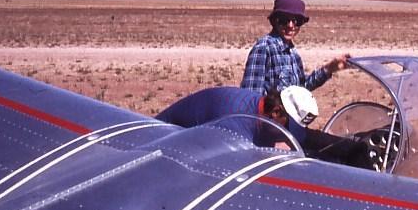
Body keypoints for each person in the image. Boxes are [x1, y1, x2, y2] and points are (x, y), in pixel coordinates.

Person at [156, 86, 371, 168]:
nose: (288, 136)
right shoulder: (234, 128)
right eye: (289, 127)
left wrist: (351, 150)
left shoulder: (265, 110)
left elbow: (303, 137)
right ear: (276, 113)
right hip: (161, 143)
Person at [241, 0, 350, 95]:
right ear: (275, 21)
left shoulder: (292, 52)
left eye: (297, 21)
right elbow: (250, 97)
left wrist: (329, 68)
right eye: (284, 20)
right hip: (269, 117)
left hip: (289, 116)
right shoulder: (264, 47)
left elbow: (302, 88)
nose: (291, 25)